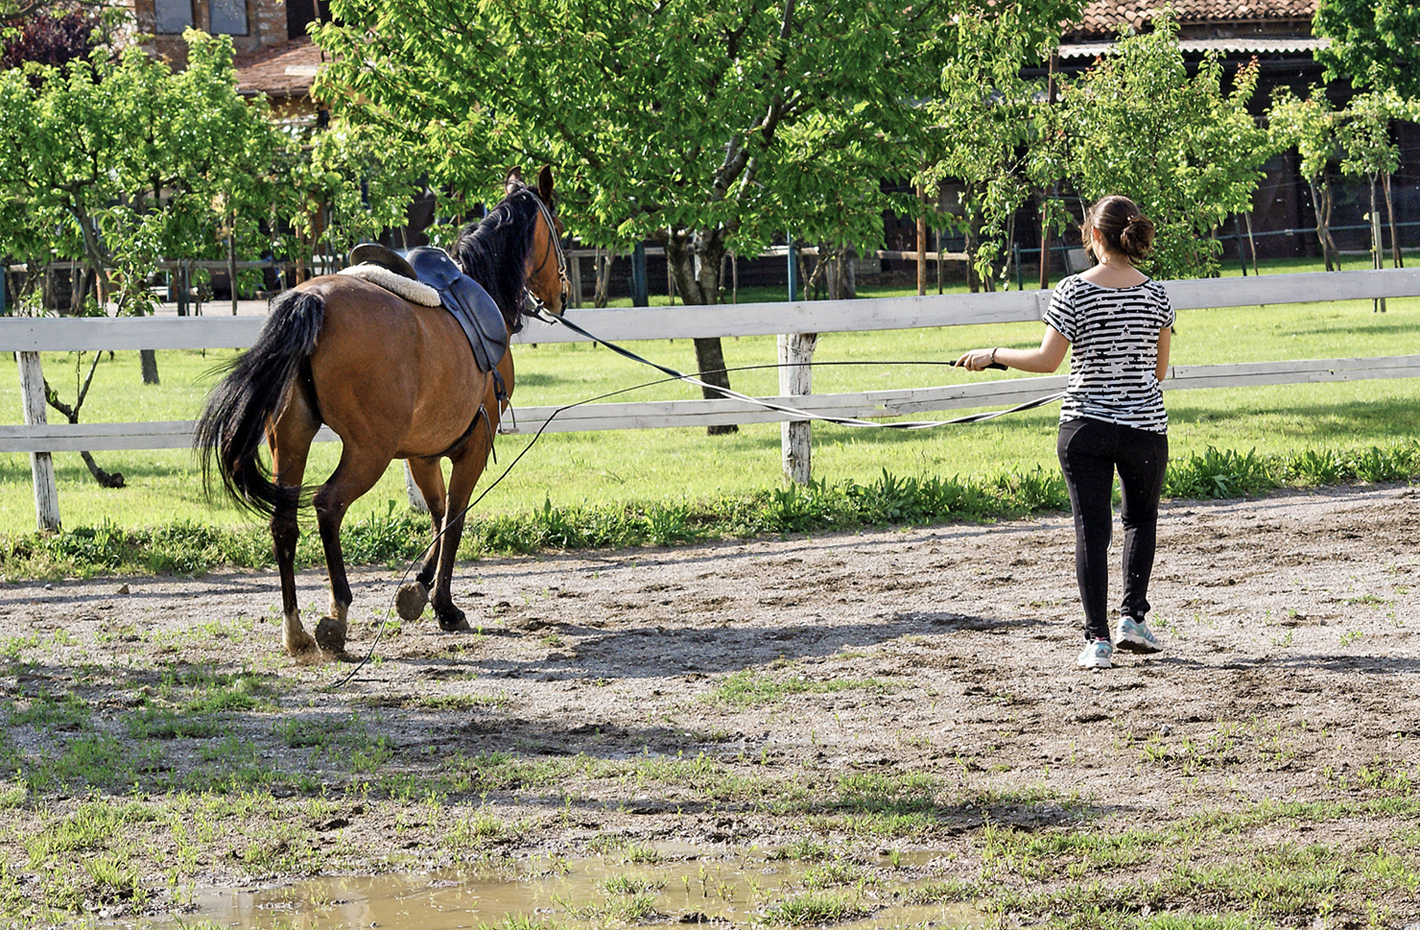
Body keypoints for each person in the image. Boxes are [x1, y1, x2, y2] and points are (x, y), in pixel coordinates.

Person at [956, 195, 1173, 670]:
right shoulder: (1157, 295)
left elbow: (1047, 360)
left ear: (1094, 236)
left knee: (1091, 529)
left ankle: (1097, 640)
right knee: (1140, 521)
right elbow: (1157, 372)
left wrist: (992, 353)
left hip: (1084, 429)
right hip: (1144, 431)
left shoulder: (1073, 290)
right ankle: (1133, 619)